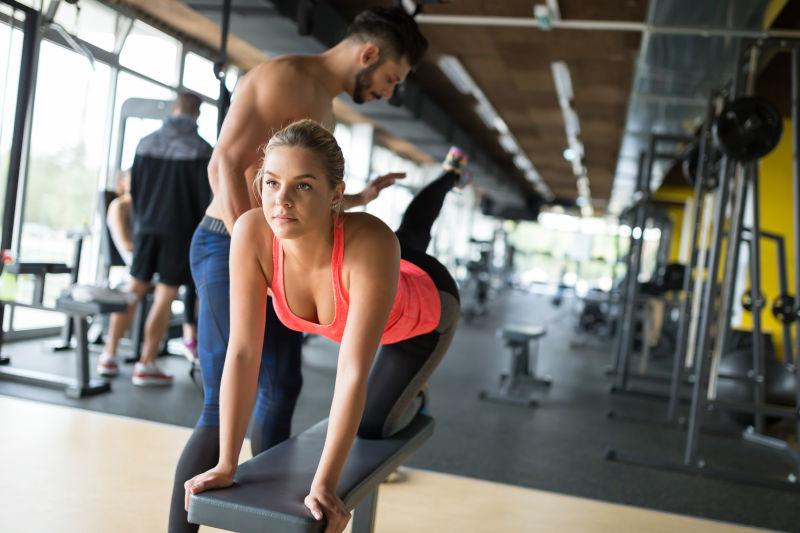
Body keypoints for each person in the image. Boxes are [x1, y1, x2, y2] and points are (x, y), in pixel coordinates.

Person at [168, 7, 427, 532]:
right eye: (390, 79)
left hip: (277, 247)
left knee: (281, 386)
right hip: (228, 240)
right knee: (223, 399)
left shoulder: (322, 103)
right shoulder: (285, 78)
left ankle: (278, 515)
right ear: (370, 54)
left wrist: (357, 197)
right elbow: (224, 165)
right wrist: (259, 241)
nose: (387, 91)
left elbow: (300, 191)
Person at [185, 119, 464, 533]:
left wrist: (325, 483)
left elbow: (352, 371)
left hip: (423, 312)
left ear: (336, 193)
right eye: (272, 183)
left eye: (303, 185)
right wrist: (227, 463)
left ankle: (448, 177)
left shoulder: (370, 241)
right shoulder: (252, 232)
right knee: (412, 233)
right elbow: (243, 353)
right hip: (369, 270)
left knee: (373, 427)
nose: (281, 201)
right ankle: (449, 175)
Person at [96, 92, 211, 385]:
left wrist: (144, 221)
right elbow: (204, 200)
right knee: (165, 296)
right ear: (197, 114)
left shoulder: (145, 143)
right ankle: (145, 364)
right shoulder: (202, 149)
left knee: (134, 290)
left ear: (173, 109)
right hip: (180, 232)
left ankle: (108, 355)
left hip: (146, 228)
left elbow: (136, 192)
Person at [105, 169, 199, 361]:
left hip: (149, 262)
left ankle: (148, 360)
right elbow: (126, 244)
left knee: (173, 287)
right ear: (123, 183)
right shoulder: (119, 206)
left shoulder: (146, 208)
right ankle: (110, 353)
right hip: (132, 264)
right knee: (137, 290)